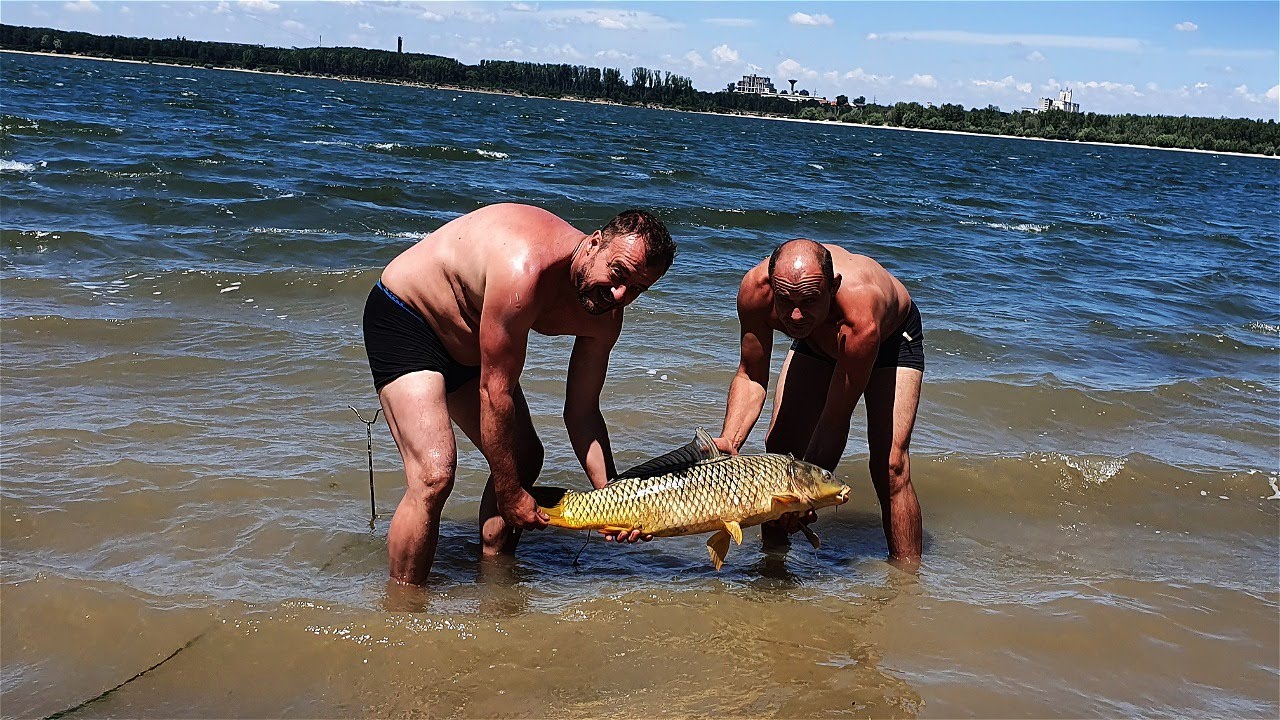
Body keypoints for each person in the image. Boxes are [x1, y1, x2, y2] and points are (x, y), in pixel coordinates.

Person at [363, 203, 675, 585]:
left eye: (637, 289)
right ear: (594, 243)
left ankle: (495, 578)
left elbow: (582, 413)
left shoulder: (606, 317)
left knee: (524, 457)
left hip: (473, 347)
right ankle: (402, 610)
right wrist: (509, 492)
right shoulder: (525, 272)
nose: (619, 294)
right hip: (408, 317)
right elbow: (496, 394)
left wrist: (613, 499)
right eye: (617, 273)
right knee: (434, 474)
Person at [713, 238, 924, 567]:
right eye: (786, 301)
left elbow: (835, 419)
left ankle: (906, 580)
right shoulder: (756, 292)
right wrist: (729, 440)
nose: (795, 316)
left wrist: (804, 493)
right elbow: (751, 376)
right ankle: (773, 570)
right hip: (820, 335)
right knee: (780, 451)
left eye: (809, 300)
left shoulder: (861, 317)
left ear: (833, 286)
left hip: (888, 339)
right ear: (772, 286)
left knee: (891, 466)